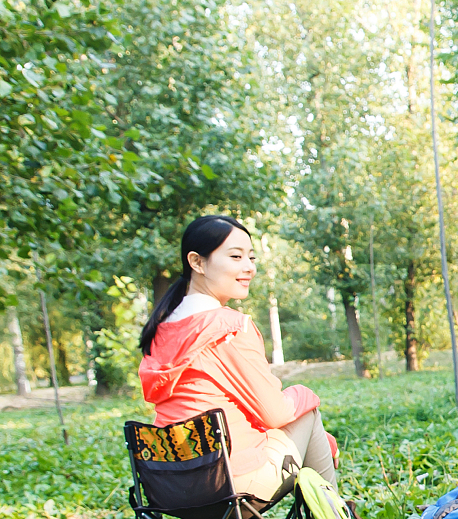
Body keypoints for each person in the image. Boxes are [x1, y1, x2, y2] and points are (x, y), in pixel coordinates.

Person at [138, 215, 339, 503]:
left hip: (171, 489)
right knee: (306, 410)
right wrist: (308, 396)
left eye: (251, 257)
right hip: (233, 486)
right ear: (197, 262)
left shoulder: (162, 329)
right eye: (235, 256)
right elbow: (276, 414)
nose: (249, 268)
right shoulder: (228, 328)